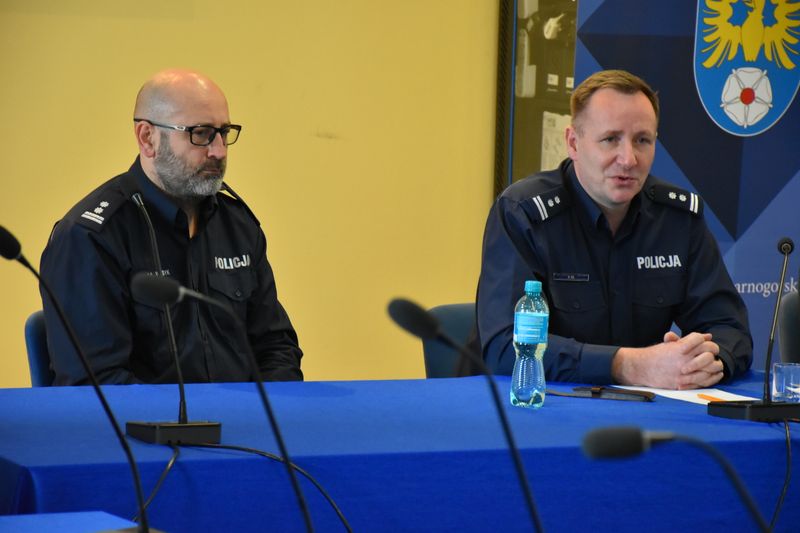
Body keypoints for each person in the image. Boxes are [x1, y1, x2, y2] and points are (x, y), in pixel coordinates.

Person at [476, 69, 752, 389]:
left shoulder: (677, 218)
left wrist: (703, 362)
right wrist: (627, 365)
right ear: (573, 143)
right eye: (610, 139)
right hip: (539, 405)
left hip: (648, 408)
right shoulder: (523, 214)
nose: (628, 159)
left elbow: (730, 329)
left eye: (642, 140)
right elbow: (505, 346)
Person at [40, 68, 303, 385]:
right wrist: (196, 417)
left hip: (244, 416)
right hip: (149, 419)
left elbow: (276, 347)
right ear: (147, 138)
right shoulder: (91, 238)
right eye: (201, 133)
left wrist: (270, 410)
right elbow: (97, 384)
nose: (219, 150)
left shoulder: (237, 224)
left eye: (224, 132)